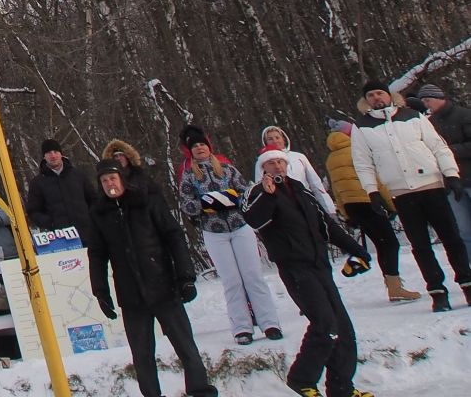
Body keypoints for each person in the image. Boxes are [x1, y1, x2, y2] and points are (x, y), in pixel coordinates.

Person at [243, 151, 370, 397]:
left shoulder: (301, 190)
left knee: (343, 328)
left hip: (319, 264)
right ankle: (301, 378)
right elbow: (254, 220)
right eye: (271, 162)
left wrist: (358, 250)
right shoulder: (258, 193)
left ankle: (341, 388)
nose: (277, 166)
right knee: (325, 323)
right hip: (294, 267)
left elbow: (326, 225)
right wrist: (268, 196)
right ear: (263, 168)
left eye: (281, 161)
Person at [83, 163, 215, 397]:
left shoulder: (146, 201)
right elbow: (97, 254)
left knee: (185, 346)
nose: (109, 184)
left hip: (163, 285)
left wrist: (185, 277)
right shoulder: (99, 213)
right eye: (104, 181)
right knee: (142, 355)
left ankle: (200, 389)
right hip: (131, 295)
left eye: (113, 178)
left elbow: (174, 236)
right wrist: (100, 291)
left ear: (122, 179)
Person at [350, 77, 471, 311]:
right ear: (365, 101)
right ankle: (437, 290)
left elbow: (438, 146)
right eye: (371, 95)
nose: (376, 98)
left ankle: (466, 282)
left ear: (389, 96)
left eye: (380, 94)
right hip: (401, 192)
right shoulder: (362, 127)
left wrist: (451, 175)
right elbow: (363, 162)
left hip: (432, 184)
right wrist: (372, 191)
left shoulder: (412, 117)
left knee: (452, 238)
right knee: (421, 245)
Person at [177, 129, 282, 344]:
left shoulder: (226, 168)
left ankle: (270, 323)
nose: (199, 148)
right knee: (232, 280)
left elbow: (245, 191)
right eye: (195, 146)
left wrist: (230, 200)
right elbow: (186, 204)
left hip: (239, 226)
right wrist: (209, 204)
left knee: (253, 275)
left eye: (202, 144)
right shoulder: (188, 175)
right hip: (214, 232)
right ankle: (241, 327)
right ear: (191, 151)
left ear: (208, 146)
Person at [324, 117, 419, 302]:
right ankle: (394, 286)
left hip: (353, 206)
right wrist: (391, 204)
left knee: (382, 243)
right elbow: (375, 178)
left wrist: (344, 211)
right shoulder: (357, 151)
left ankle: (392, 285)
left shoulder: (331, 158)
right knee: (391, 244)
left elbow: (336, 187)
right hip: (368, 200)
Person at [419, 83, 471, 251]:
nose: (426, 104)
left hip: (468, 174)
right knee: (464, 230)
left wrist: (447, 152)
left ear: (440, 98)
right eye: (423, 101)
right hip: (451, 183)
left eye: (428, 100)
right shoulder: (428, 124)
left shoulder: (463, 115)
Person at [253, 125, 335, 216]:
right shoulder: (263, 162)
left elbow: (316, 184)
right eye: (270, 139)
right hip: (284, 209)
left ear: (283, 139)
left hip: (307, 203)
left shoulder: (299, 157)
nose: (275, 141)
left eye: (277, 137)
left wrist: (329, 209)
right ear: (265, 142)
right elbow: (260, 188)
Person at [25, 139, 95, 234]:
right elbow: (33, 211)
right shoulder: (37, 183)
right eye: (49, 153)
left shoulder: (78, 176)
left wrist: (89, 218)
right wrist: (51, 223)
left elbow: (94, 199)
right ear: (44, 157)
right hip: (59, 238)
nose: (53, 155)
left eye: (55, 152)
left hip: (87, 233)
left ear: (61, 154)